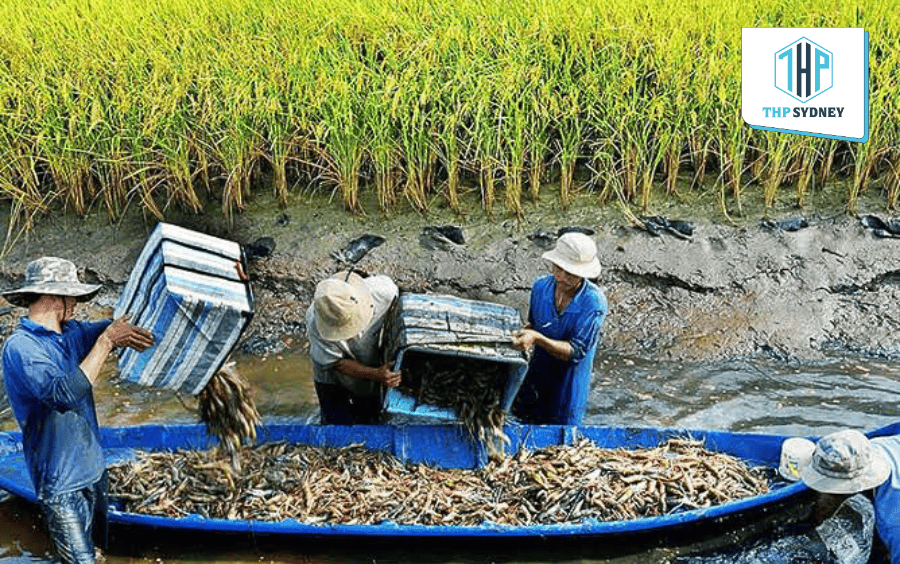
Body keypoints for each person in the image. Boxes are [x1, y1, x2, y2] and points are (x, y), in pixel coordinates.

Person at [1, 257, 154, 564]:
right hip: (60, 484)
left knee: (97, 554)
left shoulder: (71, 333)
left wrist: (123, 327)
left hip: (94, 472)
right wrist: (106, 343)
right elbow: (64, 394)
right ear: (54, 296)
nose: (77, 303)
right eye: (72, 296)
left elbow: (115, 329)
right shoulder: (21, 348)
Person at [511, 232, 607, 425]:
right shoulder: (540, 287)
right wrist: (523, 333)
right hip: (537, 375)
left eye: (569, 272)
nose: (560, 276)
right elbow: (533, 324)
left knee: (559, 434)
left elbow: (576, 352)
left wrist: (537, 338)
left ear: (582, 274)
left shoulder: (593, 302)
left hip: (568, 383)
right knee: (523, 420)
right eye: (558, 268)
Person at [305, 271, 401, 424]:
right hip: (332, 373)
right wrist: (376, 374)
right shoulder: (316, 323)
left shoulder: (384, 292)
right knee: (334, 422)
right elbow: (337, 363)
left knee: (369, 415)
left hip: (370, 359)